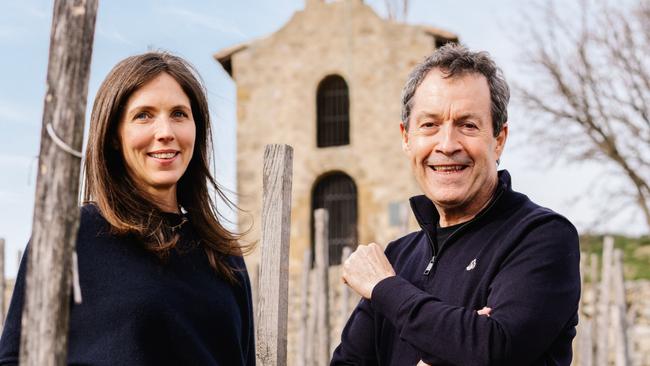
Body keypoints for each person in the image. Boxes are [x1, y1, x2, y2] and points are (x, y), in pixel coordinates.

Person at [331, 43, 580, 366]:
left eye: (468, 125)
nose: (447, 145)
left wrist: (385, 289)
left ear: (499, 140)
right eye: (430, 125)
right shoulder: (398, 257)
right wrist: (458, 340)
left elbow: (493, 348)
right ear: (407, 138)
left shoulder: (541, 237)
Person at [0, 52, 255, 365]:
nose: (166, 131)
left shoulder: (225, 255)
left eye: (179, 114)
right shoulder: (72, 237)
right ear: (114, 137)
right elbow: (15, 358)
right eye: (143, 115)